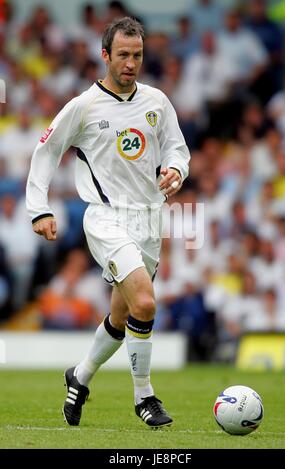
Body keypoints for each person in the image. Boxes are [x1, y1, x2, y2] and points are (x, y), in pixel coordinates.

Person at [26, 17, 190, 428]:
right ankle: (144, 397)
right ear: (105, 56)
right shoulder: (83, 106)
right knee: (147, 303)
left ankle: (79, 377)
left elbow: (178, 149)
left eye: (137, 55)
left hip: (150, 219)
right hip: (106, 218)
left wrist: (176, 170)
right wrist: (39, 208)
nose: (131, 63)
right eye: (123, 55)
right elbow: (46, 152)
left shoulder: (157, 101)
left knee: (122, 317)